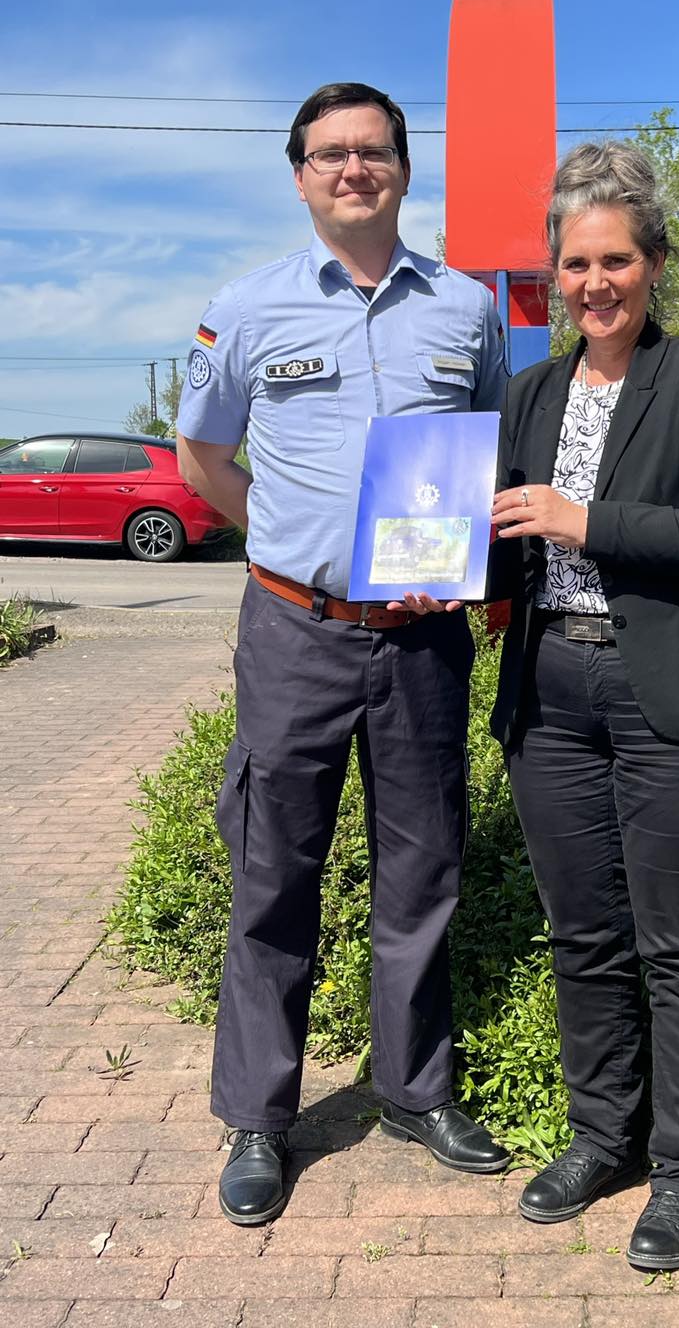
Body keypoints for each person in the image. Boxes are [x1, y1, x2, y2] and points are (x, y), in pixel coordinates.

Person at [176, 81, 511, 1228]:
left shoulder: (466, 310)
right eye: (331, 154)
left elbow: (486, 454)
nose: (353, 169)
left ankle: (415, 1092)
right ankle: (259, 1117)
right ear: (301, 176)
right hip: (295, 632)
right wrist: (289, 545)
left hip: (422, 642)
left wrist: (454, 560)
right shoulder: (246, 309)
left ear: (405, 169)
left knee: (424, 871)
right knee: (274, 871)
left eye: (373, 151)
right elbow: (203, 458)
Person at [489, 142, 679, 1272]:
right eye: (575, 263)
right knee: (585, 934)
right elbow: (509, 542)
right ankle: (603, 1138)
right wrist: (434, 569)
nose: (594, 283)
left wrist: (586, 520)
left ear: (653, 263)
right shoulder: (530, 393)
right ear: (553, 274)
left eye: (615, 260)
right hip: (551, 690)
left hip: (673, 694)